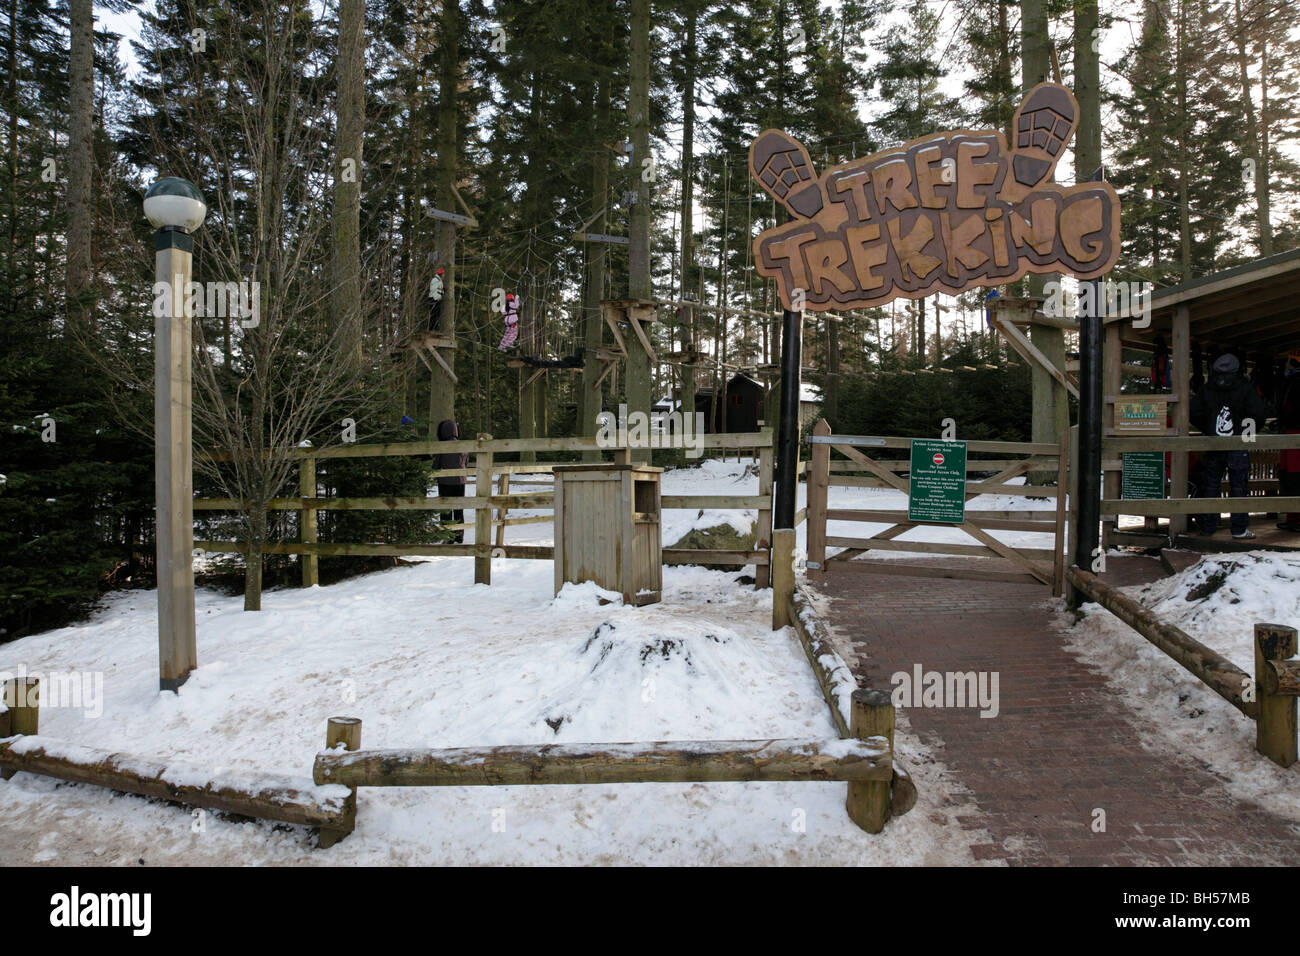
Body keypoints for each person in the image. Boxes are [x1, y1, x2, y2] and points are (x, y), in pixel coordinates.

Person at [1189, 353, 1271, 539]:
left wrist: (1209, 428)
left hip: (1213, 444)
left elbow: (1194, 412)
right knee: (1239, 487)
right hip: (1238, 444)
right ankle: (1239, 529)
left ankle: (1208, 527)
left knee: (1210, 486)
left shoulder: (1207, 388)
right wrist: (1246, 433)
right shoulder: (1244, 387)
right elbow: (1257, 413)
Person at [1277, 355, 1300, 532]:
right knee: (1289, 476)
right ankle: (1293, 517)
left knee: (1293, 477)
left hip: (1294, 433)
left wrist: (1283, 419)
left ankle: (1296, 518)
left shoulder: (1294, 383)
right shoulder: (1290, 383)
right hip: (1290, 432)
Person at [434, 419, 468, 543]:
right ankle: (459, 535)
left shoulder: (442, 446)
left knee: (446, 509)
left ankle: (447, 536)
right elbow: (466, 463)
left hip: (445, 482)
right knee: (459, 509)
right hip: (461, 481)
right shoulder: (463, 446)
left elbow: (436, 465)